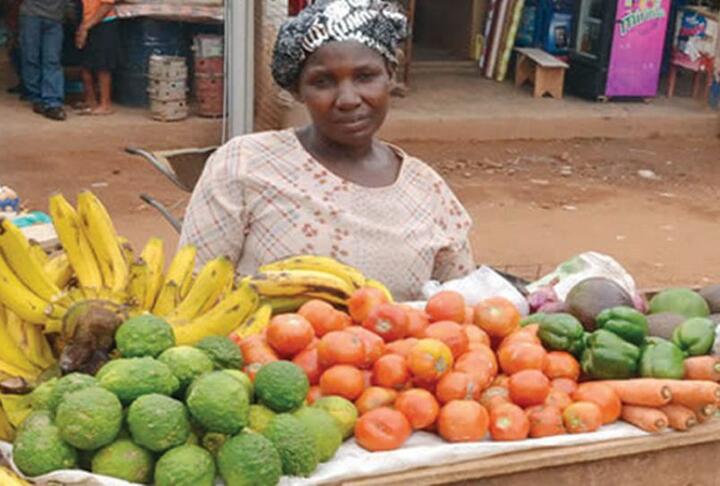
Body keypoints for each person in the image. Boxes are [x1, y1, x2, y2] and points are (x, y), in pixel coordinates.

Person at [179, 0, 474, 302]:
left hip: (396, 348)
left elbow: (459, 308)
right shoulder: (244, 164)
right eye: (322, 82)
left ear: (391, 76)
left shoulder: (428, 192)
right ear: (297, 90)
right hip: (260, 347)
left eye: (365, 76)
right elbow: (195, 290)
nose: (347, 99)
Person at [18, 0, 68, 120]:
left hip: (54, 18)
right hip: (32, 16)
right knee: (31, 57)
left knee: (52, 60)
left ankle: (52, 102)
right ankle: (37, 97)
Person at [75, 0, 119, 115]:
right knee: (86, 63)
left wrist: (86, 26)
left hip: (104, 23)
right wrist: (84, 25)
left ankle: (105, 104)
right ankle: (91, 100)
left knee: (103, 65)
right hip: (87, 20)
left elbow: (107, 5)